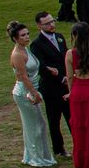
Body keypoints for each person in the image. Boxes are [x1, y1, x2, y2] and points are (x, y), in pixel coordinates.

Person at [9, 21, 56, 168]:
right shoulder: (17, 54)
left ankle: (37, 155)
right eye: (23, 35)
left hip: (31, 90)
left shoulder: (25, 49)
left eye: (27, 34)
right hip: (25, 93)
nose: (27, 37)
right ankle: (35, 157)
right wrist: (34, 93)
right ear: (16, 38)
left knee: (39, 124)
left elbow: (34, 66)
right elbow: (23, 76)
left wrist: (48, 68)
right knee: (35, 125)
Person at [28, 13, 68, 158]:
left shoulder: (60, 37)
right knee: (54, 120)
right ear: (39, 26)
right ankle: (59, 149)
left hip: (66, 85)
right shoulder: (36, 44)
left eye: (52, 21)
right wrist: (61, 78)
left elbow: (65, 59)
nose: (52, 25)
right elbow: (42, 68)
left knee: (71, 117)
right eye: (47, 23)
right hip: (51, 88)